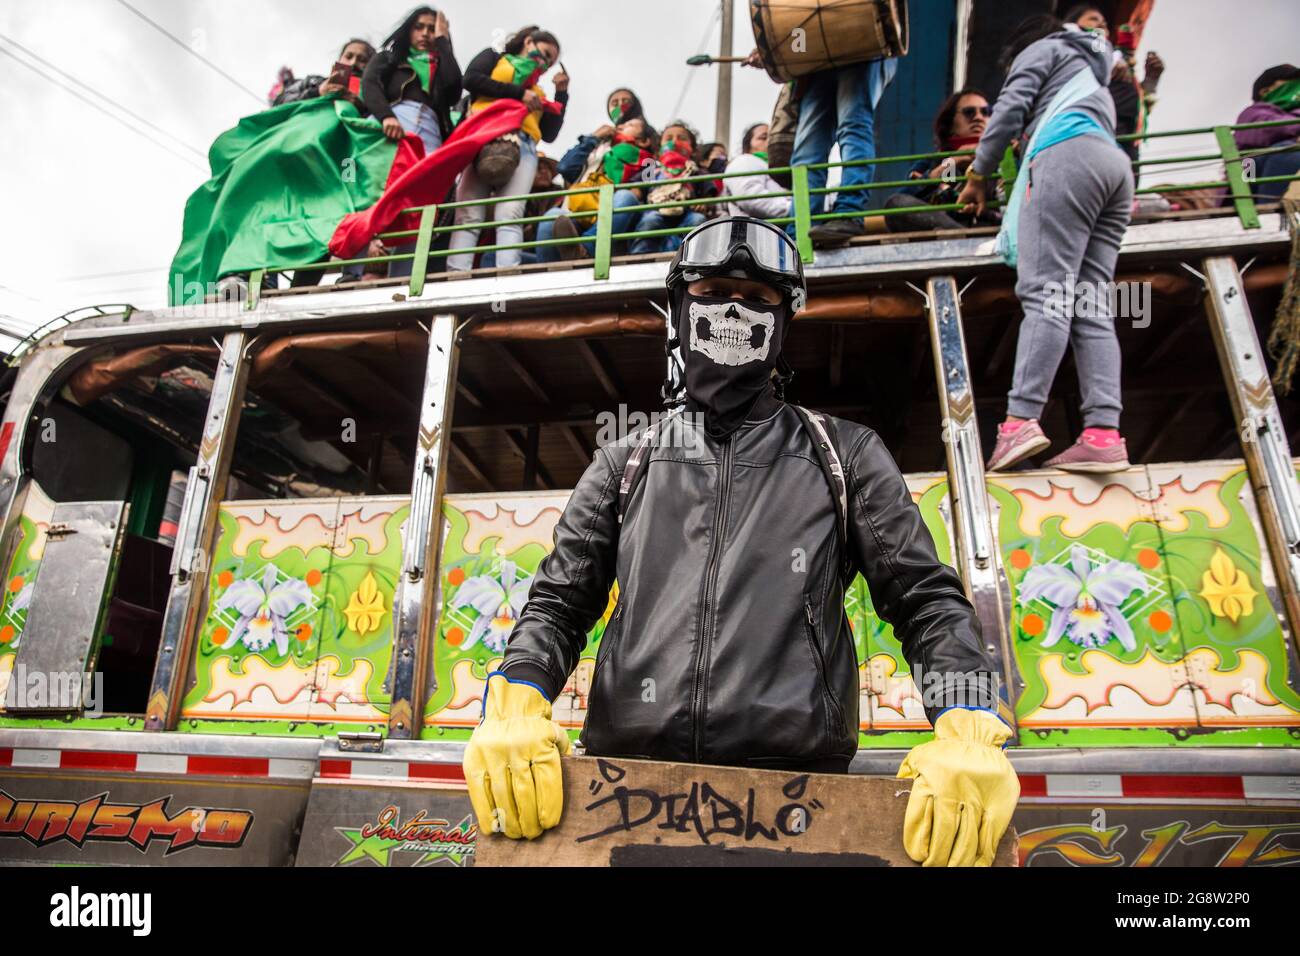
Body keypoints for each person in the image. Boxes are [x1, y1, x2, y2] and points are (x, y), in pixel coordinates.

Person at [463, 215, 1020, 866]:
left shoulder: (845, 455)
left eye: (758, 299)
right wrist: (513, 706)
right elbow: (557, 606)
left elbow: (926, 603)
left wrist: (969, 722)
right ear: (679, 309)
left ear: (786, 321)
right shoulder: (625, 462)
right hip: (623, 799)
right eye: (713, 291)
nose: (735, 308)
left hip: (797, 810)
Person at [960, 15, 1134, 473]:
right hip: (1114, 167)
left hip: (1064, 157)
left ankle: (1020, 422)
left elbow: (1009, 112)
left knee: (1046, 296)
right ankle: (1102, 433)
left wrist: (978, 175)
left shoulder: (1045, 49)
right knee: (1091, 302)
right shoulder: (1093, 72)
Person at [446, 25, 569, 272]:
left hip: (523, 145)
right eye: (544, 53)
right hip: (482, 137)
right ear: (528, 42)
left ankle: (507, 274)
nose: (544, 63)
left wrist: (561, 95)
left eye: (550, 61)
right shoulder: (494, 57)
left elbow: (550, 133)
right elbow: (471, 79)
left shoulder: (539, 93)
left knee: (510, 213)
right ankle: (456, 275)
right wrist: (518, 94)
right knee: (468, 213)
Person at [773, 53, 897, 247]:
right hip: (816, 62)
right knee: (807, 152)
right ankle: (800, 228)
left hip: (860, 50)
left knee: (851, 126)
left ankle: (847, 213)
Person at [539, 116, 656, 262]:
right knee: (553, 215)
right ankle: (549, 271)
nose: (620, 127)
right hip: (578, 213)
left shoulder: (649, 162)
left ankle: (586, 249)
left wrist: (637, 190)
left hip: (614, 220)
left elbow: (647, 185)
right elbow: (564, 167)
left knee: (626, 197)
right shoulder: (597, 152)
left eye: (629, 125)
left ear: (644, 141)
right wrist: (594, 138)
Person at [884, 88, 999, 233]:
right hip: (949, 233)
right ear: (951, 124)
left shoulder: (1003, 156)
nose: (979, 117)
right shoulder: (938, 161)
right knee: (895, 204)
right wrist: (953, 161)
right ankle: (963, 236)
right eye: (969, 112)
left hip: (994, 231)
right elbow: (903, 199)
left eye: (986, 112)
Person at [361, 7, 462, 155]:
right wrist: (386, 116)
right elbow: (369, 83)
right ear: (408, 30)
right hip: (391, 122)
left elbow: (454, 91)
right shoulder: (388, 58)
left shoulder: (442, 67)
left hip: (430, 132)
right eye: (418, 27)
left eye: (432, 29)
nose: (425, 34)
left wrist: (443, 42)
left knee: (427, 177)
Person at [628, 122, 707, 254]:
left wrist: (703, 204)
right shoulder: (652, 169)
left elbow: (707, 193)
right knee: (649, 222)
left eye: (682, 138)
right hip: (656, 211)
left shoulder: (696, 170)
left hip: (686, 214)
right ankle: (639, 258)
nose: (675, 142)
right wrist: (634, 194)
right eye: (669, 139)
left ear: (692, 149)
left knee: (698, 220)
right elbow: (637, 188)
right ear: (659, 149)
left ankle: (693, 262)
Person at [1234, 64, 1300, 202]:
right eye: (1291, 81)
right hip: (1249, 170)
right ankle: (1269, 210)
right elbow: (1274, 129)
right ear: (1266, 91)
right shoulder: (1252, 113)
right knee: (1287, 151)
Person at [274, 38, 376, 109]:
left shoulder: (377, 96)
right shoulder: (312, 82)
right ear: (339, 59)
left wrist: (363, 108)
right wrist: (317, 92)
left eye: (362, 60)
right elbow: (279, 103)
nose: (353, 63)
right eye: (348, 57)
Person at [722, 122, 787, 220]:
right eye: (763, 137)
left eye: (773, 137)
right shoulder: (744, 161)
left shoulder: (777, 166)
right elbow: (751, 198)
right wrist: (794, 208)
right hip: (762, 232)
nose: (770, 141)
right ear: (748, 146)